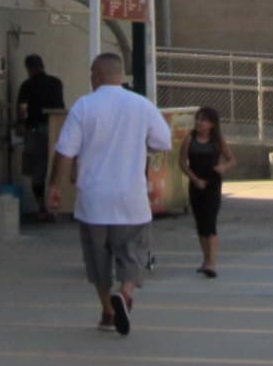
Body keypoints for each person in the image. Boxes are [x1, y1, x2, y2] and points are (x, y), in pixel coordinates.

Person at [48, 53, 171, 337]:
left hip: (93, 199)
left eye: (92, 73)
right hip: (131, 198)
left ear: (99, 74)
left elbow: (65, 151)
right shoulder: (142, 105)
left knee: (97, 259)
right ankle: (125, 294)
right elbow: (162, 141)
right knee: (132, 252)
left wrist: (55, 187)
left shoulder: (84, 106)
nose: (90, 78)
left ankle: (107, 311)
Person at [177, 105, 235, 278]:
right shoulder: (190, 138)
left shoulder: (217, 141)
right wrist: (194, 179)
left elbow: (232, 159)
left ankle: (212, 263)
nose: (199, 123)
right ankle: (205, 259)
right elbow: (182, 163)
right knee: (201, 224)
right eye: (198, 119)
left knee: (210, 222)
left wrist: (223, 167)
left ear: (212, 124)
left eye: (203, 120)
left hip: (213, 184)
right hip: (196, 183)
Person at [15, 54, 66, 220]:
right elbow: (61, 107)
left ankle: (42, 208)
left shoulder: (27, 85)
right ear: (42, 65)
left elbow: (23, 108)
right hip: (55, 129)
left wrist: (20, 123)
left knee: (37, 170)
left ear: (29, 68)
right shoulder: (56, 82)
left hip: (36, 130)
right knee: (54, 165)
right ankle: (57, 207)